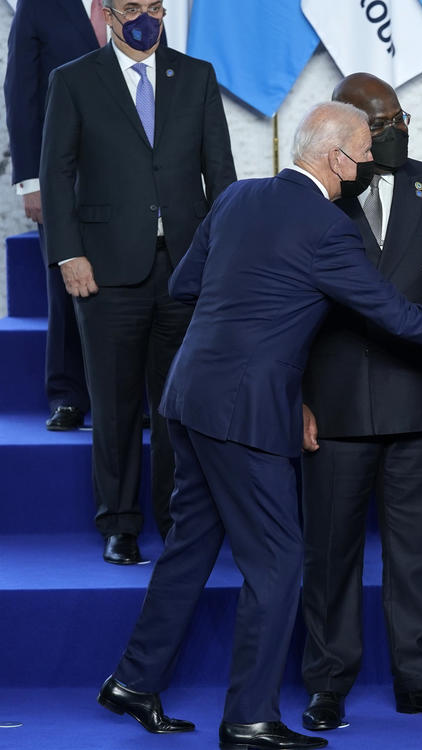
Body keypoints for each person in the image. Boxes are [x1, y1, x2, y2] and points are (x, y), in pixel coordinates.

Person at [95, 101, 422, 750]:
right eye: (361, 156)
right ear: (335, 159)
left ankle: (132, 681)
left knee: (189, 548)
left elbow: (186, 286)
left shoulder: (240, 198)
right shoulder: (326, 227)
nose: (366, 168)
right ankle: (248, 719)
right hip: (245, 412)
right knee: (277, 562)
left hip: (188, 398)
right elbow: (394, 315)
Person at [298, 73, 422, 731]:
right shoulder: (310, 192)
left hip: (419, 399)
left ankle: (418, 677)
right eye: (381, 124)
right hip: (334, 409)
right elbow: (284, 310)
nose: (397, 131)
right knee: (331, 551)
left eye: (400, 117)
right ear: (345, 130)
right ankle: (327, 683)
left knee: (417, 552)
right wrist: (294, 399)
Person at [39, 0, 236, 561]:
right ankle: (120, 523)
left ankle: (179, 521)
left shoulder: (196, 76)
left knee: (177, 405)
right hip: (105, 272)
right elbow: (56, 174)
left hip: (185, 268)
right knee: (116, 404)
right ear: (108, 12)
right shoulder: (74, 80)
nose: (146, 16)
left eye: (155, 5)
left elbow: (219, 171)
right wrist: (68, 255)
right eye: (132, 6)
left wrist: (223, 257)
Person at [4, 0, 103, 431]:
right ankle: (66, 396)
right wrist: (30, 180)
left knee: (129, 286)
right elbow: (21, 91)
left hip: (127, 173)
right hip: (59, 172)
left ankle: (129, 396)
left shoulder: (138, 6)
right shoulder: (39, 5)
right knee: (65, 285)